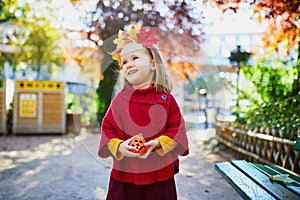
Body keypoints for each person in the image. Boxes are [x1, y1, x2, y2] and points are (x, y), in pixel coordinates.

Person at [98, 22, 189, 200]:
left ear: (153, 63)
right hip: (124, 177)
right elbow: (107, 129)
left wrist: (157, 143)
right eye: (124, 61)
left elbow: (177, 131)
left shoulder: (166, 100)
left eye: (135, 58)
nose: (128, 65)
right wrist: (120, 146)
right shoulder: (120, 101)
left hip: (159, 176)